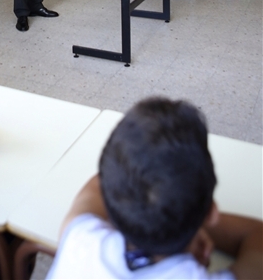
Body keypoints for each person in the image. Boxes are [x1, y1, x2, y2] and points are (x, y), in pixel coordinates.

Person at [47, 97, 263, 280]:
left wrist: (179, 220)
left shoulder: (79, 238)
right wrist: (186, 222)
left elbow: (102, 181)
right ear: (211, 213)